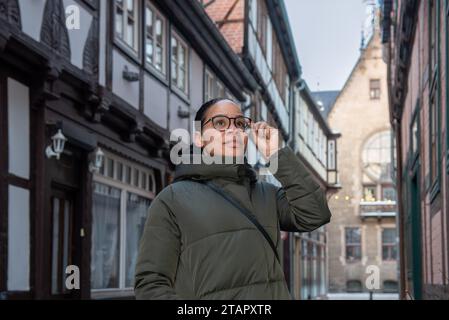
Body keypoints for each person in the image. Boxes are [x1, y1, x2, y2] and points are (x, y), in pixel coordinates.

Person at [134, 98, 332, 299]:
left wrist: (275, 154)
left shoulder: (267, 194)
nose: (233, 131)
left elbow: (315, 214)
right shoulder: (172, 199)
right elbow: (151, 284)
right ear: (199, 138)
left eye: (239, 124)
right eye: (220, 123)